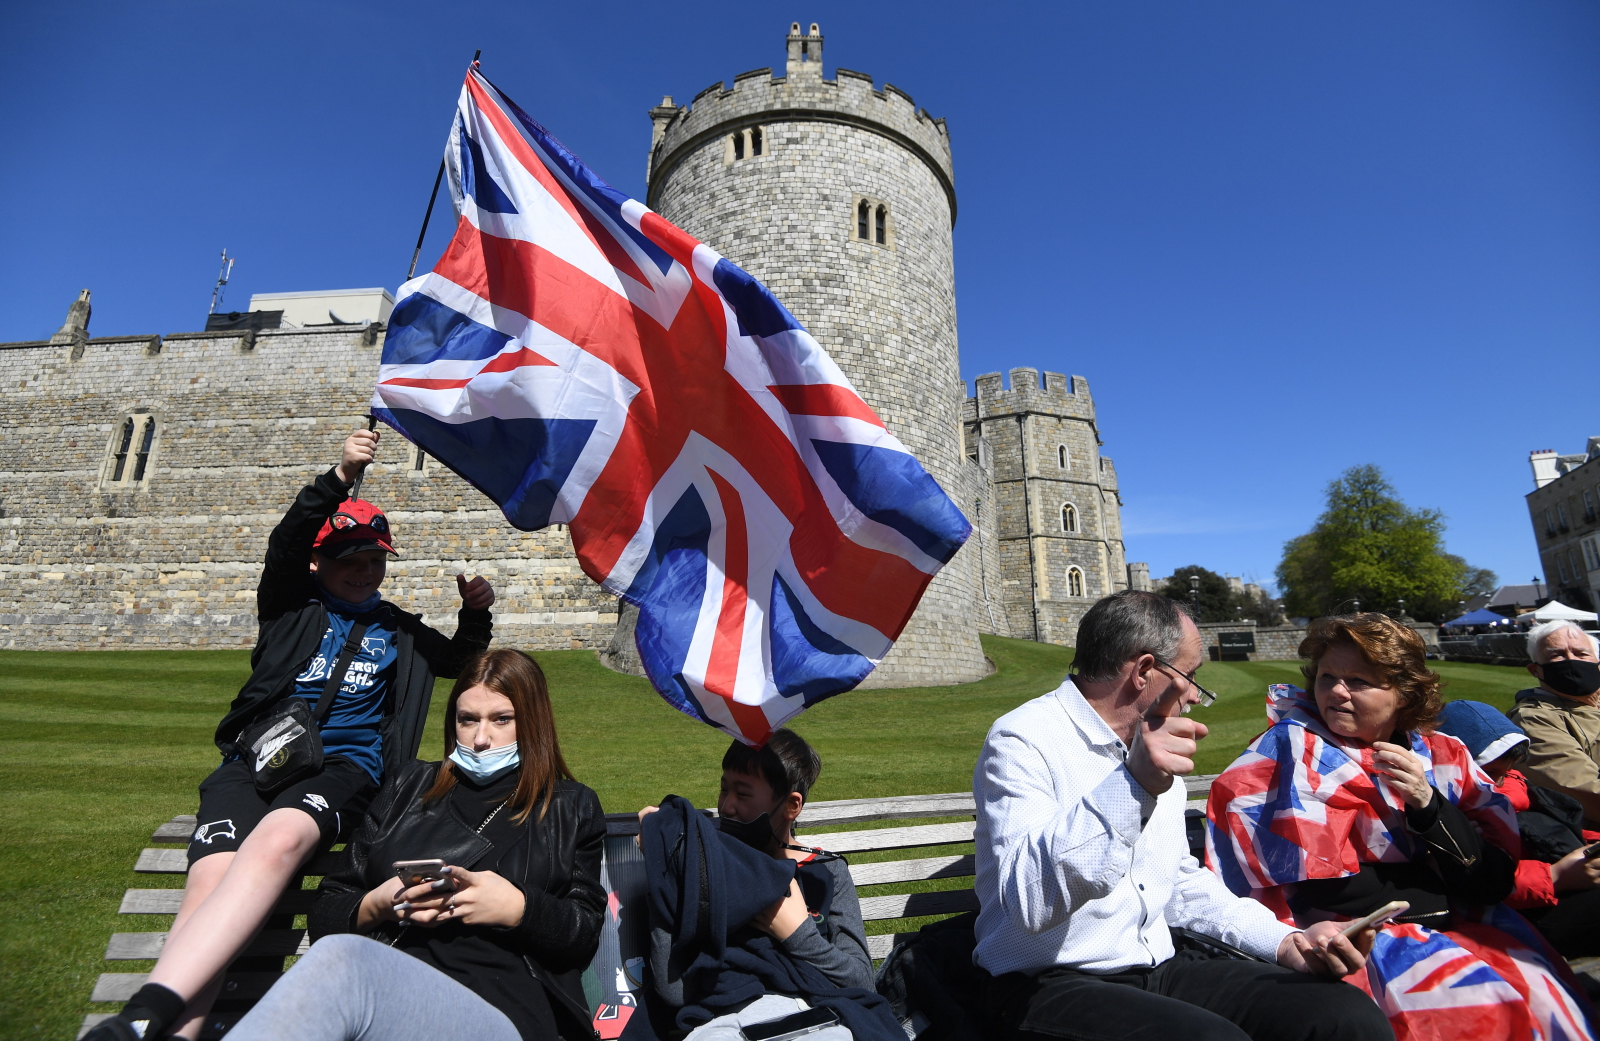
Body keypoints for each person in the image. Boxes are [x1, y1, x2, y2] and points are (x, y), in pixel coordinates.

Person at [88, 427, 496, 1041]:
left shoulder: (399, 630)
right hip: (259, 758)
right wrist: (339, 477)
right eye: (348, 560)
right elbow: (285, 541)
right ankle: (168, 1031)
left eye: (374, 560)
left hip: (345, 768)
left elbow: (461, 663)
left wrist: (475, 613)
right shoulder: (289, 606)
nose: (363, 571)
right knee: (208, 877)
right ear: (317, 562)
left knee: (280, 837)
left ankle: (145, 1013)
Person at [973, 590, 1391, 1041]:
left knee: (1344, 1015)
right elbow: (1030, 905)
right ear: (1145, 671)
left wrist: (1284, 941)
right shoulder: (1024, 739)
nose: (1193, 694)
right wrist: (1134, 784)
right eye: (1190, 676)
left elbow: (1179, 883)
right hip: (1043, 982)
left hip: (1157, 966)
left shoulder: (1149, 743)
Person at [1207, 614, 1596, 1040]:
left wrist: (1428, 804)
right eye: (1327, 676)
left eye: (1359, 680)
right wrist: (1447, 885)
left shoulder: (1444, 753)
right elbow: (1332, 889)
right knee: (1477, 1004)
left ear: (1404, 694)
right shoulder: (1290, 749)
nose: (1336, 692)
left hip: (1457, 918)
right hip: (1348, 939)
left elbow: (1492, 876)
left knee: (1539, 991)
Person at [224, 647, 606, 1041]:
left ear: (533, 722)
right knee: (340, 962)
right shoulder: (409, 787)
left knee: (343, 963)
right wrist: (380, 903)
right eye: (467, 720)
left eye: (501, 720)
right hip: (390, 990)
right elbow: (327, 913)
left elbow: (583, 936)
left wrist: (518, 908)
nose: (480, 738)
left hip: (501, 1007)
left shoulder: (569, 806)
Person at [635, 729, 883, 1040]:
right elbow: (674, 991)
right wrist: (664, 872)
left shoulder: (826, 874)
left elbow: (863, 982)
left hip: (814, 1020)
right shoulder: (707, 870)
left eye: (743, 794)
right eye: (724, 789)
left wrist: (798, 934)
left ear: (791, 806)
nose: (727, 806)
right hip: (725, 1024)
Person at [1435, 699, 1600, 959]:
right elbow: (1473, 884)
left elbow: (1551, 825)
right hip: (1518, 912)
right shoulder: (1448, 810)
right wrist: (1556, 876)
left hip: (1556, 883)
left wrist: (1592, 843)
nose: (1501, 780)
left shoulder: (1510, 784)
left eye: (1507, 771)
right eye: (1492, 771)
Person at [1509, 620, 1600, 827]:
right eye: (1556, 655)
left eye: (1582, 653)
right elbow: (1587, 792)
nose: (1571, 660)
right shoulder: (1534, 719)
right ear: (1535, 670)